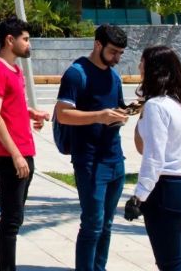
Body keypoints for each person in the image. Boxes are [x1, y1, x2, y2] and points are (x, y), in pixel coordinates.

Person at [54, 24, 132, 271]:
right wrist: (99, 116)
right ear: (98, 44)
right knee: (92, 224)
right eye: (113, 52)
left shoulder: (114, 76)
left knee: (107, 224)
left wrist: (123, 114)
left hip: (115, 159)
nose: (117, 58)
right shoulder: (77, 73)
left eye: (120, 53)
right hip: (89, 161)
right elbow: (63, 114)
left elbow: (115, 108)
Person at [0, 17, 50, 271]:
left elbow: (11, 106)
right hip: (9, 156)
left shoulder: (15, 69)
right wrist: (16, 155)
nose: (28, 43)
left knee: (15, 219)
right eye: (25, 39)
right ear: (10, 40)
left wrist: (32, 113)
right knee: (10, 221)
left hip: (23, 152)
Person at [128, 45, 181, 271]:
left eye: (143, 62)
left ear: (153, 69)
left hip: (167, 189)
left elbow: (153, 156)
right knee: (174, 259)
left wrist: (139, 196)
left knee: (169, 264)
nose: (139, 67)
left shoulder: (156, 106)